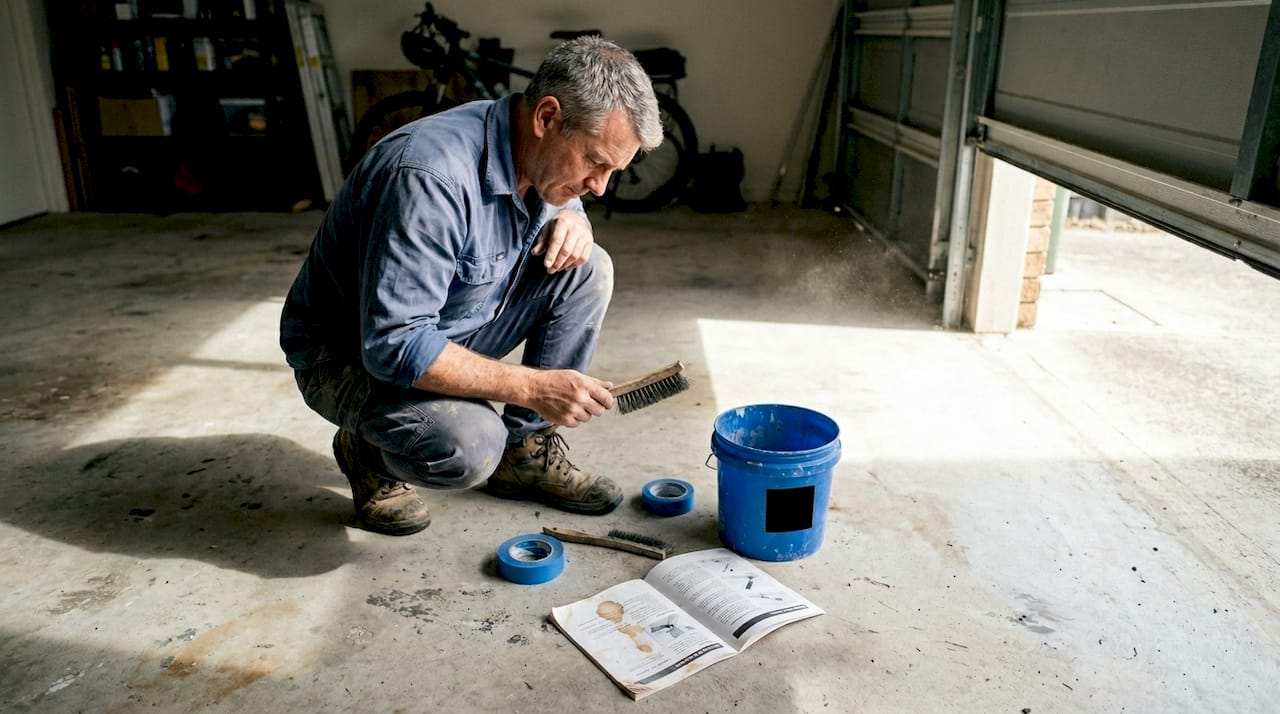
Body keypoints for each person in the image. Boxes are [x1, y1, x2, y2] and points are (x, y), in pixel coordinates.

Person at [279, 37, 663, 536]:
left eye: (614, 170)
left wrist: (576, 216)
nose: (601, 185)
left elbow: (569, 195)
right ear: (546, 117)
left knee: (588, 267)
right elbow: (395, 345)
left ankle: (524, 453)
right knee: (469, 444)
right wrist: (535, 387)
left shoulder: (533, 150)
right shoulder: (429, 177)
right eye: (596, 163)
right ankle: (367, 451)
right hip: (351, 356)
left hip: (450, 320)